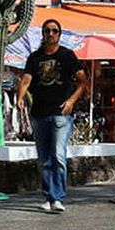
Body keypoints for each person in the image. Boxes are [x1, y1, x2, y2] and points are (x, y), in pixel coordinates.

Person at [17, 20, 87, 213]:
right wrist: (20, 97)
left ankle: (58, 197)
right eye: (47, 31)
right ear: (43, 34)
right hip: (39, 113)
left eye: (54, 31)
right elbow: (26, 79)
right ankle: (49, 196)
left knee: (57, 155)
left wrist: (72, 101)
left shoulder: (67, 56)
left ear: (59, 34)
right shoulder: (34, 58)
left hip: (60, 114)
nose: (51, 34)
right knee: (44, 158)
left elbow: (82, 81)